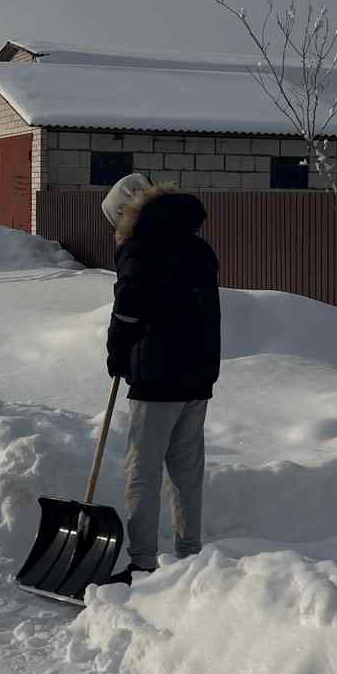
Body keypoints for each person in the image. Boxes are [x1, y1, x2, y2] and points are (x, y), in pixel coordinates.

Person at [99, 174, 221, 585]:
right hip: (198, 373)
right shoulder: (198, 248)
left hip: (157, 376)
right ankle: (190, 555)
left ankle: (143, 562)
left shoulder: (141, 249)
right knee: (186, 470)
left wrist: (117, 353)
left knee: (143, 469)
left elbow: (127, 311)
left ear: (125, 215)